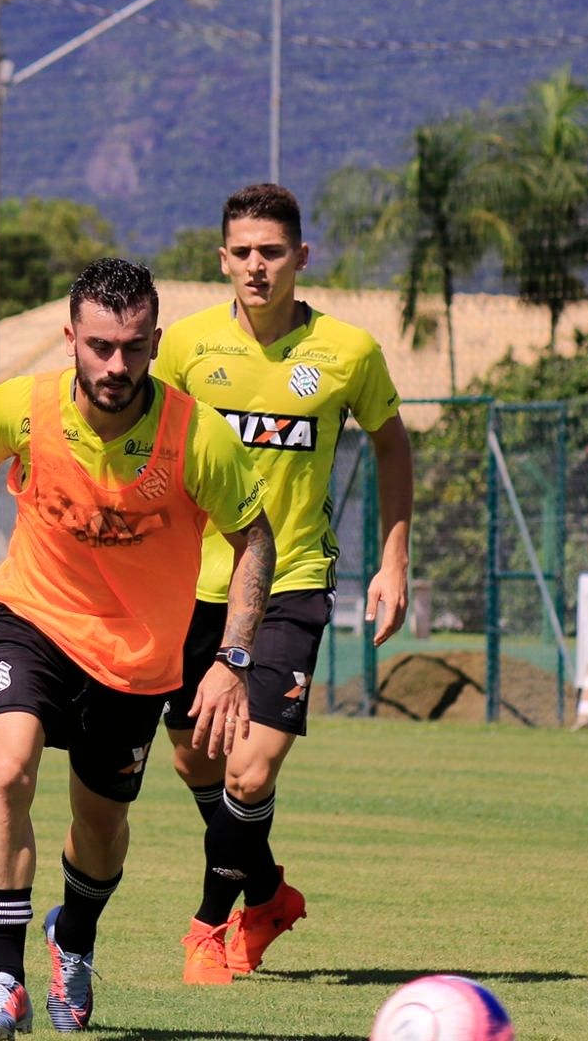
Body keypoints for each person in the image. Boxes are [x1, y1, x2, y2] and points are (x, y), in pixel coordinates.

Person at [0, 258, 275, 1037]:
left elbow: (255, 542)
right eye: (100, 346)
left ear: (155, 342)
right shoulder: (24, 406)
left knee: (98, 827)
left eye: (133, 348)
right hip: (30, 618)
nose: (115, 365)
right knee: (6, 769)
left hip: (137, 660)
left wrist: (232, 659)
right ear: (71, 338)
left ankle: (73, 937)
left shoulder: (194, 434)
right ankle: (2, 979)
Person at [152, 183, 413, 984]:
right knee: (194, 763)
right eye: (244, 252)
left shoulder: (348, 353)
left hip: (292, 581)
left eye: (273, 252)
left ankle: (207, 928)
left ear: (302, 258)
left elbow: (393, 445)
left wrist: (395, 558)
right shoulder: (184, 348)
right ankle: (265, 892)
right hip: (188, 587)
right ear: (222, 259)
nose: (257, 266)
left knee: (250, 769)